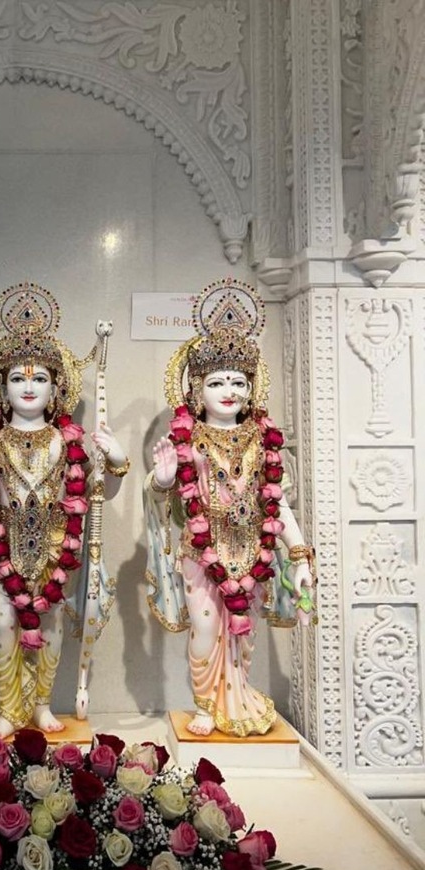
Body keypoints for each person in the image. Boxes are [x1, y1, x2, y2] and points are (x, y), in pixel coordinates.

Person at [0, 285, 128, 740]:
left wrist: (118, 459)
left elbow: (96, 488)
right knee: (5, 627)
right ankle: (9, 709)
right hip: (3, 549)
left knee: (48, 627)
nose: (29, 386)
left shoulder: (66, 441)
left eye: (40, 378)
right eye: (18, 378)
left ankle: (43, 704)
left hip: (53, 549)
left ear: (56, 387)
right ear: (2, 388)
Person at [144, 278, 315, 737]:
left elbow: (277, 504)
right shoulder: (191, 439)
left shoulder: (263, 441)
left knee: (243, 633)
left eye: (238, 381)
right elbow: (166, 493)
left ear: (251, 389)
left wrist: (298, 555)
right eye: (217, 381)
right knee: (204, 630)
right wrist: (160, 481)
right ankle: (205, 704)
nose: (229, 390)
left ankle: (237, 697)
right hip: (202, 553)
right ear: (196, 389)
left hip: (252, 552)